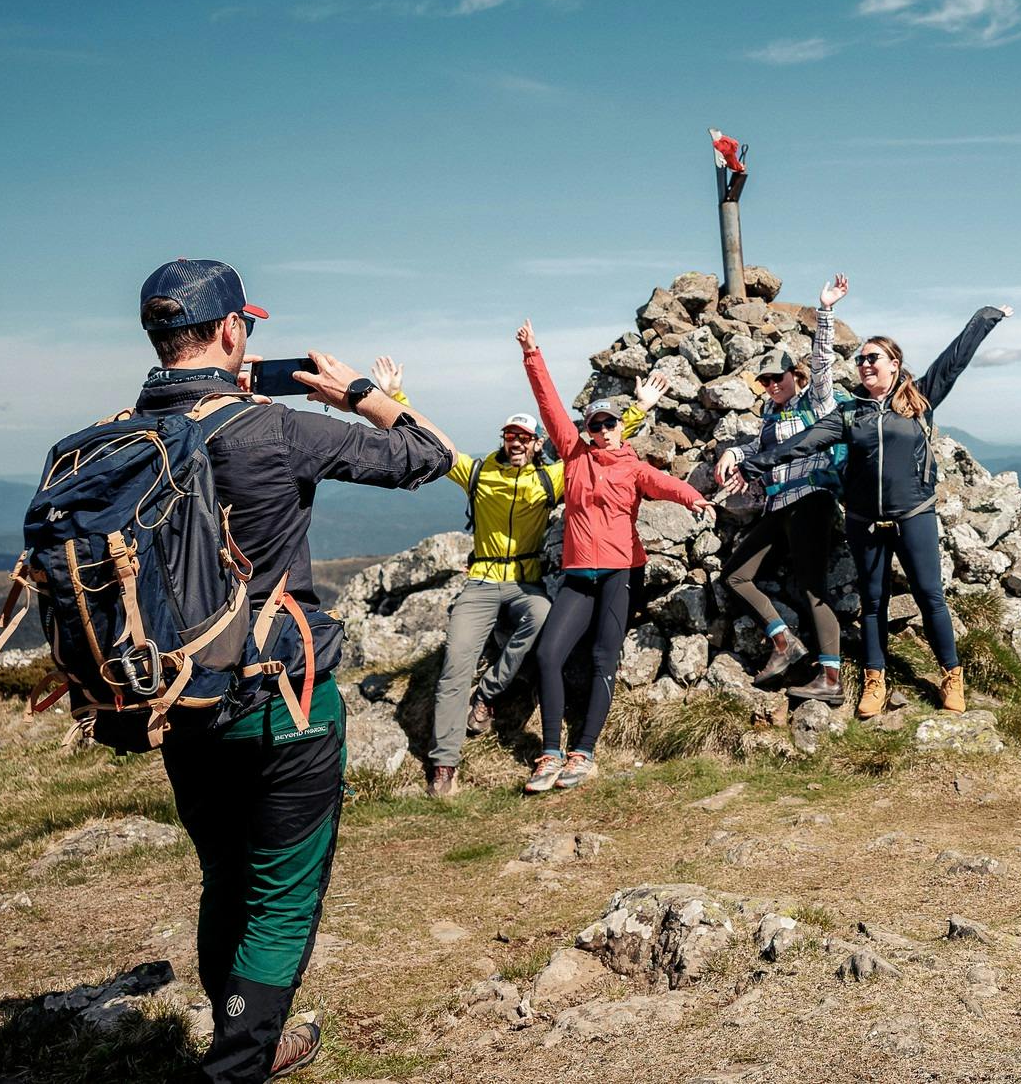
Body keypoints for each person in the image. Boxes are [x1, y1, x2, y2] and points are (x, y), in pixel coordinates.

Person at [132, 260, 456, 1082]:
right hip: (283, 700)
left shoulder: (128, 435)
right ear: (232, 330)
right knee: (280, 894)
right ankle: (239, 1064)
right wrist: (357, 392)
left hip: (181, 702)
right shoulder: (275, 429)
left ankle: (240, 1034)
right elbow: (430, 453)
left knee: (225, 873)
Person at [366, 358, 666, 798]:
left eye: (525, 436)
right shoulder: (477, 473)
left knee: (542, 618)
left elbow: (600, 449)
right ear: (503, 439)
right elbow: (432, 444)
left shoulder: (550, 478)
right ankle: (444, 763)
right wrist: (395, 397)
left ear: (537, 442)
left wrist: (638, 410)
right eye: (511, 435)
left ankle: (489, 693)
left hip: (527, 583)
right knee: (455, 662)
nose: (517, 442)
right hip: (482, 580)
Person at [738, 300, 1013, 719]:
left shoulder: (919, 398)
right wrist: (754, 464)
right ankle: (874, 679)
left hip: (914, 514)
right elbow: (803, 443)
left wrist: (986, 317)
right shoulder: (850, 414)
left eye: (872, 358)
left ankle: (951, 675)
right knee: (872, 602)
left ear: (893, 364)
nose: (864, 364)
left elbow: (954, 360)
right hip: (864, 520)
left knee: (930, 597)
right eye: (860, 359)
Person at [517, 318, 712, 792]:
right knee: (548, 654)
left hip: (619, 573)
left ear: (622, 428)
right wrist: (532, 354)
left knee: (604, 658)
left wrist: (695, 498)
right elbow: (549, 404)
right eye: (595, 425)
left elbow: (665, 485)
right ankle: (549, 753)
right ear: (587, 431)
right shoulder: (574, 455)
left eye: (609, 424)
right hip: (579, 575)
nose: (602, 431)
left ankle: (583, 752)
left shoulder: (633, 467)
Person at [713, 274, 851, 704]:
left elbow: (823, 361)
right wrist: (733, 452)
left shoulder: (817, 401)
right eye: (766, 381)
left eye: (779, 377)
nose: (772, 386)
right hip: (779, 509)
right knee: (735, 575)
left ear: (795, 375)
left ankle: (831, 677)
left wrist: (825, 310)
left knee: (812, 587)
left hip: (811, 501)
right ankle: (782, 641)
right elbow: (757, 449)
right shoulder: (770, 418)